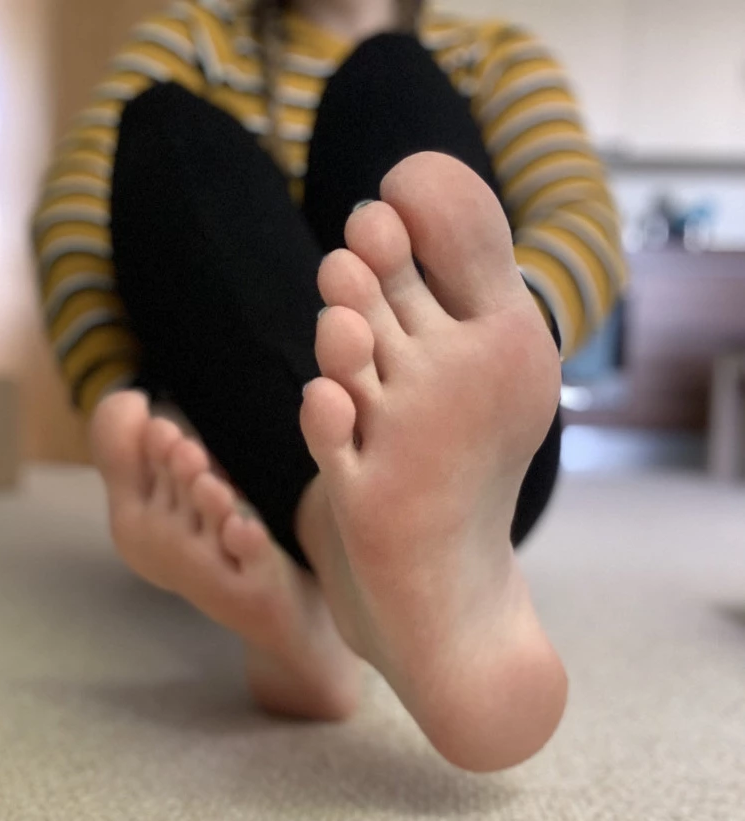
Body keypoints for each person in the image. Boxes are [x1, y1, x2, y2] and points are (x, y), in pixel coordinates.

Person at [31, 0, 626, 772]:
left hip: (486, 468)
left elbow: (583, 222)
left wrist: (496, 326)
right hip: (229, 440)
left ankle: (319, 583)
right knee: (162, 131)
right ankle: (338, 564)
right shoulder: (195, 36)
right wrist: (140, 409)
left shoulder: (492, 55)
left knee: (390, 80)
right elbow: (74, 223)